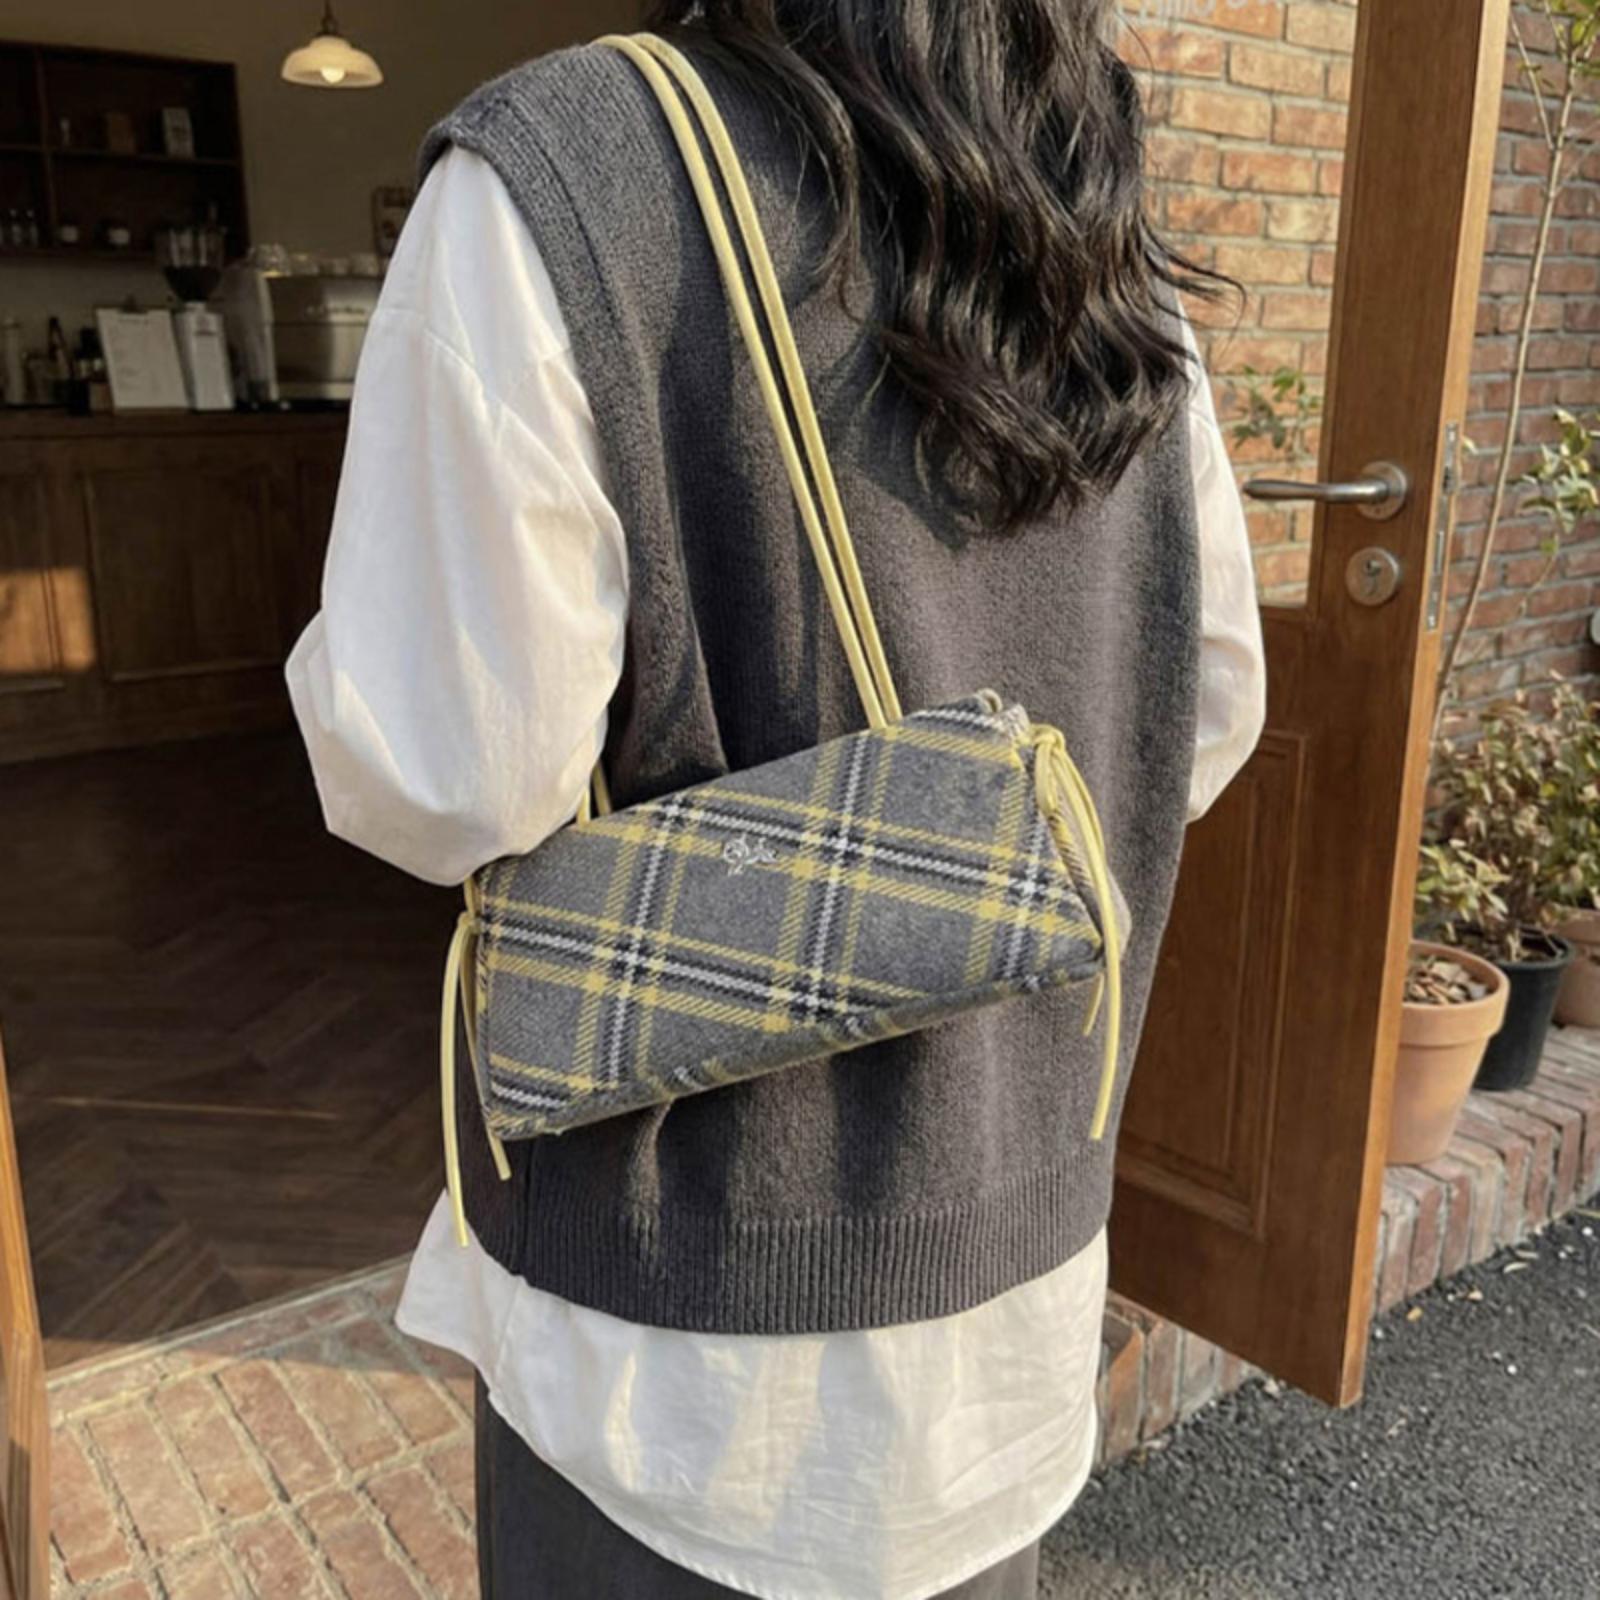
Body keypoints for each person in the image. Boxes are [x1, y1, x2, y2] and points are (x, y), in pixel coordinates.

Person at [289, 5, 1266, 1596]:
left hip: (679, 1366)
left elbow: (450, 774)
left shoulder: (571, 166)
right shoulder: (1095, 214)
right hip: (1015, 1277)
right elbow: (1206, 702)